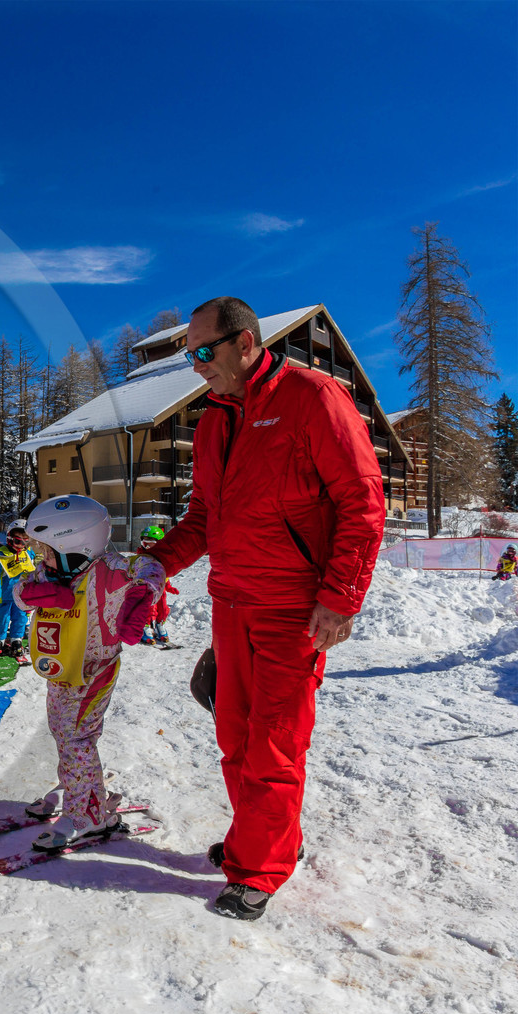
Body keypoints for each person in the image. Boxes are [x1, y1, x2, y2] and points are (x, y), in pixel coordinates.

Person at [142, 296, 385, 921]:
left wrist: (339, 598)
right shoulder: (214, 420)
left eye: (202, 351)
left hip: (293, 606)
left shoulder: (314, 397)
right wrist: (156, 563)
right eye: (186, 353)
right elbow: (203, 517)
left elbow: (362, 503)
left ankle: (260, 867)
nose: (194, 365)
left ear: (245, 343)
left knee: (274, 743)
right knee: (233, 736)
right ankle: (264, 835)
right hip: (231, 602)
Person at [16, 494, 164, 851]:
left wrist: (143, 595)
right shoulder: (51, 571)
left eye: (47, 550)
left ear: (76, 544)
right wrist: (41, 593)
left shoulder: (112, 569)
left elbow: (152, 568)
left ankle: (87, 815)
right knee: (63, 733)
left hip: (94, 670)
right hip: (62, 669)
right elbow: (20, 592)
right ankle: (85, 790)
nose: (42, 558)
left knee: (75, 738)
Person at [0, 519, 36, 663]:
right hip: (6, 594)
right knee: (2, 617)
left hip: (21, 596)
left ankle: (16, 639)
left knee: (20, 618)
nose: (22, 546)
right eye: (18, 542)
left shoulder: (28, 554)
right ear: (9, 539)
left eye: (25, 542)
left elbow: (33, 572)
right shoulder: (1, 555)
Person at [137, 525, 182, 646]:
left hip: (160, 591)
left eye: (150, 543)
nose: (146, 546)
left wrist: (168, 586)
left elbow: (164, 575)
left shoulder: (163, 558)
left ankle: (160, 625)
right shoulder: (142, 557)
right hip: (147, 590)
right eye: (144, 543)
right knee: (148, 609)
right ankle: (146, 628)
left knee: (162, 608)